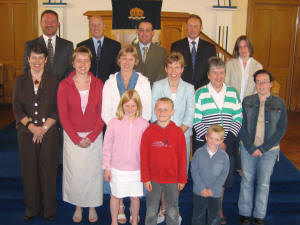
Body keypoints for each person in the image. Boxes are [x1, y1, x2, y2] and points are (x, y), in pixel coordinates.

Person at [101, 45, 151, 224]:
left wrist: (134, 123)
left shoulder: (143, 82)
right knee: (117, 180)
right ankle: (120, 206)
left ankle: (133, 214)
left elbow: (147, 110)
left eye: (131, 59)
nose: (127, 62)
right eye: (124, 58)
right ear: (119, 61)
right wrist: (118, 126)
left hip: (137, 133)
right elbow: (106, 110)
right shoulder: (110, 82)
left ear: (135, 61)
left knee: (134, 185)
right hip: (116, 132)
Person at [57, 46, 104, 223]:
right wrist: (76, 138)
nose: (82, 64)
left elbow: (102, 114)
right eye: (79, 60)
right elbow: (63, 114)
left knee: (92, 173)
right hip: (72, 137)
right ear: (73, 63)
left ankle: (92, 206)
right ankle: (78, 205)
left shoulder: (99, 84)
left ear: (91, 63)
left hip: (94, 135)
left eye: (86, 60)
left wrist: (91, 137)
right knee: (76, 173)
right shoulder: (64, 85)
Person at [13, 42, 59, 221]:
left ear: (46, 60)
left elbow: (57, 108)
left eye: (41, 58)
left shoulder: (55, 80)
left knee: (48, 170)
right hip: (26, 133)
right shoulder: (19, 80)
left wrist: (44, 128)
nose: (37, 61)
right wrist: (32, 127)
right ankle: (32, 208)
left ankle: (49, 209)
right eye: (34, 58)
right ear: (28, 59)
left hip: (49, 133)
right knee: (29, 170)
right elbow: (17, 108)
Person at [193, 56, 242, 224]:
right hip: (205, 145)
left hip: (226, 144)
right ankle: (201, 211)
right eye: (215, 73)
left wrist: (225, 142)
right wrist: (211, 143)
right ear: (208, 74)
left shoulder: (232, 93)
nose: (218, 76)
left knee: (220, 179)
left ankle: (217, 210)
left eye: (221, 73)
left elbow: (238, 118)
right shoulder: (200, 93)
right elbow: (196, 120)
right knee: (204, 177)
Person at [238, 69, 287, 225]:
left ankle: (259, 215)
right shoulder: (247, 101)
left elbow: (281, 129)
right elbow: (241, 126)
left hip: (269, 151)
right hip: (248, 148)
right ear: (255, 84)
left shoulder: (280, 103)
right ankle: (245, 214)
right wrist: (251, 147)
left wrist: (263, 148)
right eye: (258, 82)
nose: (261, 85)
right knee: (246, 180)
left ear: (271, 84)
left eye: (264, 81)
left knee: (263, 183)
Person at [151, 52, 195, 223]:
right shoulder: (157, 85)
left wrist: (176, 132)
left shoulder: (189, 88)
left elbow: (190, 114)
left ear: (182, 69)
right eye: (170, 67)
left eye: (177, 67)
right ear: (165, 68)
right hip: (161, 138)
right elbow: (153, 113)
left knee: (177, 176)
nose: (173, 70)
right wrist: (166, 132)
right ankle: (163, 209)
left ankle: (173, 209)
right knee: (163, 174)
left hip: (181, 138)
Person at [102, 90, 149, 225]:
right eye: (127, 106)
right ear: (121, 106)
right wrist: (107, 167)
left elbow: (146, 149)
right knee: (115, 196)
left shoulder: (144, 124)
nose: (130, 109)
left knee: (135, 198)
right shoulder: (113, 123)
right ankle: (114, 221)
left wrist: (146, 169)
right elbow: (107, 147)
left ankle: (134, 220)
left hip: (136, 169)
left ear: (138, 106)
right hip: (117, 168)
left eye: (133, 106)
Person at [141, 97, 187, 225]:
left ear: (172, 112)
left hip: (172, 179)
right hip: (153, 179)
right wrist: (145, 178)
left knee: (172, 210)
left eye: (166, 110)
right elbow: (143, 157)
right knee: (151, 210)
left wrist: (182, 178)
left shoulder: (178, 132)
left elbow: (183, 157)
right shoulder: (148, 132)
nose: (162, 113)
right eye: (159, 110)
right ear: (155, 111)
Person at [191, 125, 229, 225]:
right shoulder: (198, 153)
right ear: (206, 137)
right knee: (198, 216)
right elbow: (194, 171)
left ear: (221, 141)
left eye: (216, 139)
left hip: (215, 192)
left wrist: (213, 189)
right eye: (211, 138)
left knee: (215, 217)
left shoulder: (224, 156)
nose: (213, 141)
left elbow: (224, 174)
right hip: (200, 191)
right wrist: (202, 187)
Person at [23, 10, 73, 81]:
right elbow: (27, 69)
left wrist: (60, 84)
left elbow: (71, 69)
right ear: (41, 23)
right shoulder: (30, 45)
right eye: (46, 22)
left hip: (61, 88)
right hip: (39, 88)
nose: (49, 25)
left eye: (52, 22)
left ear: (58, 24)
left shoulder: (68, 45)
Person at [171, 14, 216, 90]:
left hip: (203, 89)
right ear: (186, 27)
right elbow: (173, 69)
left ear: (201, 28)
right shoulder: (176, 46)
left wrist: (202, 88)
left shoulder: (210, 48)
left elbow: (212, 70)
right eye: (190, 26)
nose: (193, 29)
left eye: (196, 26)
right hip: (181, 88)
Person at [77, 15, 121, 83]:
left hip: (108, 86)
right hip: (87, 85)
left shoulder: (115, 46)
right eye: (93, 25)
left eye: (99, 24)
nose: (96, 27)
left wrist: (109, 83)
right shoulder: (81, 46)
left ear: (104, 26)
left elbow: (117, 68)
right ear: (89, 27)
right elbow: (79, 68)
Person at [225, 35, 263, 102]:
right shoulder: (230, 64)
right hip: (232, 102)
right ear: (237, 49)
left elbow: (258, 88)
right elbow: (225, 84)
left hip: (250, 104)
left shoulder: (258, 66)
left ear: (250, 47)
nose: (243, 50)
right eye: (240, 47)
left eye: (245, 46)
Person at [134, 20, 166, 86]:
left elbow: (162, 74)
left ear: (152, 33)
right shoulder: (130, 50)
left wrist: (153, 89)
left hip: (154, 91)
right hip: (134, 91)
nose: (144, 33)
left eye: (147, 30)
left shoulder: (161, 52)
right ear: (138, 32)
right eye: (141, 30)